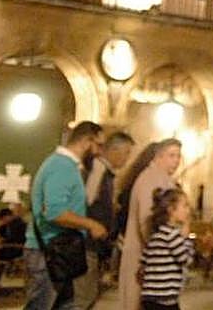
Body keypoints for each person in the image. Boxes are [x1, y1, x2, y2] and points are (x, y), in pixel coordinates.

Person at [24, 121, 109, 310]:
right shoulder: (61, 166)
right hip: (48, 253)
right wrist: (91, 225)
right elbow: (55, 212)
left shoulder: (67, 166)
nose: (99, 152)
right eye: (99, 145)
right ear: (87, 141)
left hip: (60, 253)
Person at [118, 139, 181, 310]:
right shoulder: (150, 180)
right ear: (159, 156)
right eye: (171, 155)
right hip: (146, 258)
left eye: (178, 156)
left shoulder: (162, 179)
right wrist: (160, 253)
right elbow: (147, 221)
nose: (176, 160)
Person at [76, 130, 134, 307]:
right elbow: (86, 201)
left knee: (88, 295)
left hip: (94, 245)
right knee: (83, 297)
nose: (127, 158)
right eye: (126, 153)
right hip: (87, 243)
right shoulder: (98, 170)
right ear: (114, 150)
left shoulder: (105, 173)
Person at [138, 188, 194, 310]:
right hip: (165, 297)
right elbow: (185, 259)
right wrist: (186, 238)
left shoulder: (156, 234)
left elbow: (143, 261)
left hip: (150, 296)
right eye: (185, 206)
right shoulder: (172, 235)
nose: (188, 210)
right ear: (171, 210)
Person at [0, 205, 27, 289]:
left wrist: (2, 242)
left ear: (8, 216)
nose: (2, 221)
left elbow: (14, 239)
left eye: (3, 218)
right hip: (7, 247)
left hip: (14, 249)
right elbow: (2, 235)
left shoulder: (19, 224)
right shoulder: (7, 225)